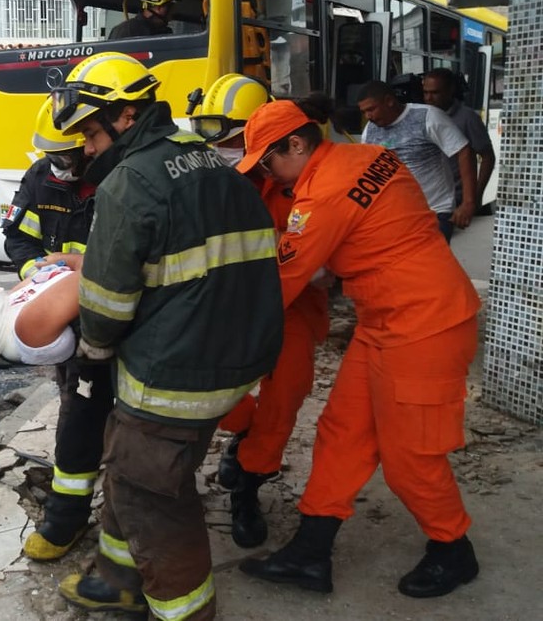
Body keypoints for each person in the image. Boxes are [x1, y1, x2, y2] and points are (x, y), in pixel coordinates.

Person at [51, 52, 284, 619]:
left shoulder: (131, 184)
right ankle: (117, 577)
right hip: (235, 353)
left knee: (150, 493)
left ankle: (184, 609)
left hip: (177, 371)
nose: (85, 146)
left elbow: (106, 308)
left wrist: (90, 351)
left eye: (89, 130)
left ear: (126, 116)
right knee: (131, 463)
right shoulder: (208, 163)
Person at [234, 99, 481, 599]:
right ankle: (310, 552)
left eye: (267, 161)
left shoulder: (319, 198)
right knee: (342, 432)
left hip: (425, 327)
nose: (266, 172)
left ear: (297, 144)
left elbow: (276, 287)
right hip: (386, 319)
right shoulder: (363, 155)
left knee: (410, 458)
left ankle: (453, 549)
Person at [189, 74, 330, 550]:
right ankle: (243, 436)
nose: (226, 150)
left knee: (283, 399)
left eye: (234, 139)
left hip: (292, 304)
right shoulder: (208, 174)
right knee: (211, 388)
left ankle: (247, 489)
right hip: (228, 303)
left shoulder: (303, 176)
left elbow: (317, 260)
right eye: (218, 139)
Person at [2, 97, 108, 561]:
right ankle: (66, 519)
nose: (59, 166)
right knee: (78, 413)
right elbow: (18, 237)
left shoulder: (117, 180)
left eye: (67, 156)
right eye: (52, 156)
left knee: (124, 423)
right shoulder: (39, 177)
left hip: (114, 314)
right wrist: (36, 275)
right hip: (66, 320)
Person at [357, 80, 476, 242]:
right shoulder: (369, 131)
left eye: (371, 109)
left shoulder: (427, 116)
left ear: (389, 101)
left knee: (428, 265)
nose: (368, 117)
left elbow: (463, 150)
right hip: (394, 216)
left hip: (434, 212)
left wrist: (468, 202)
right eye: (364, 112)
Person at [422, 67, 496, 214]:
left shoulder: (468, 118)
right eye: (425, 93)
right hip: (427, 198)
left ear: (450, 90)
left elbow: (487, 157)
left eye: (435, 93)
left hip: (454, 199)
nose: (429, 98)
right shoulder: (421, 115)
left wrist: (475, 196)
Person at [108, 0, 176, 40]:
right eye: (170, 9)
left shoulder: (164, 32)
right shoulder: (127, 31)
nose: (171, 16)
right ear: (159, 8)